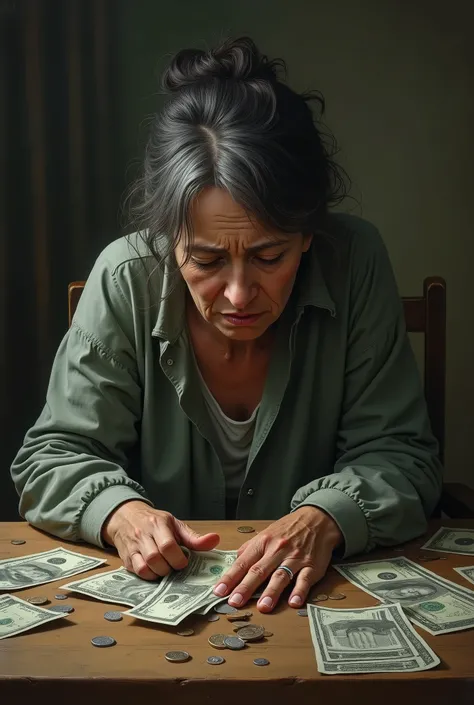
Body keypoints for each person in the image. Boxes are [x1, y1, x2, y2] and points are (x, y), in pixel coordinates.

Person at [11, 36, 443, 614]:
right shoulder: (125, 275)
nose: (239, 295)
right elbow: (53, 456)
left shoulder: (355, 260)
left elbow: (402, 454)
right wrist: (120, 513)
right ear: (169, 240)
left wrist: (327, 516)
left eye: (270, 257)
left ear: (309, 234)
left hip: (310, 602)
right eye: (207, 260)